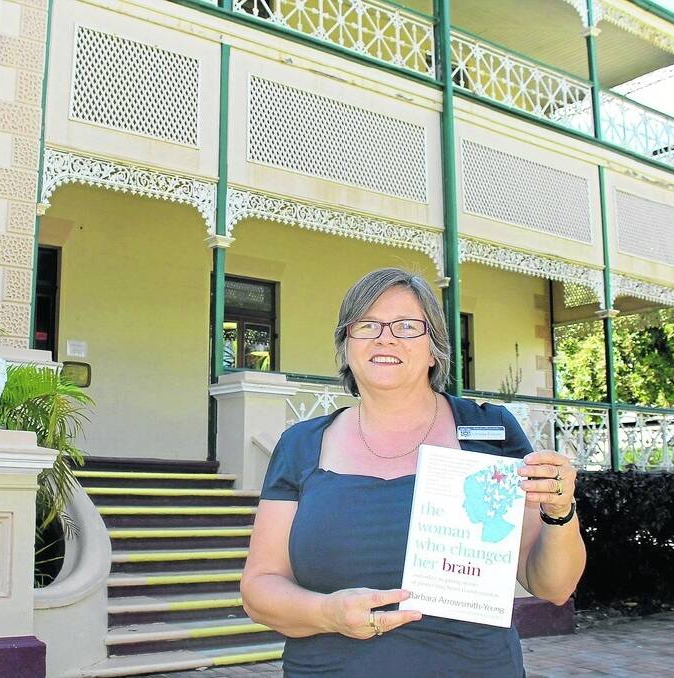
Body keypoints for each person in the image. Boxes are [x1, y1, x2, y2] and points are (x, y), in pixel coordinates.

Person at [240, 268, 586, 677]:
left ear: (435, 349)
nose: (385, 337)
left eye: (407, 326)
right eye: (367, 325)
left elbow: (551, 585)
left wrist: (560, 511)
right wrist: (328, 613)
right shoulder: (300, 446)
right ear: (346, 345)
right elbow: (259, 588)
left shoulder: (490, 433)